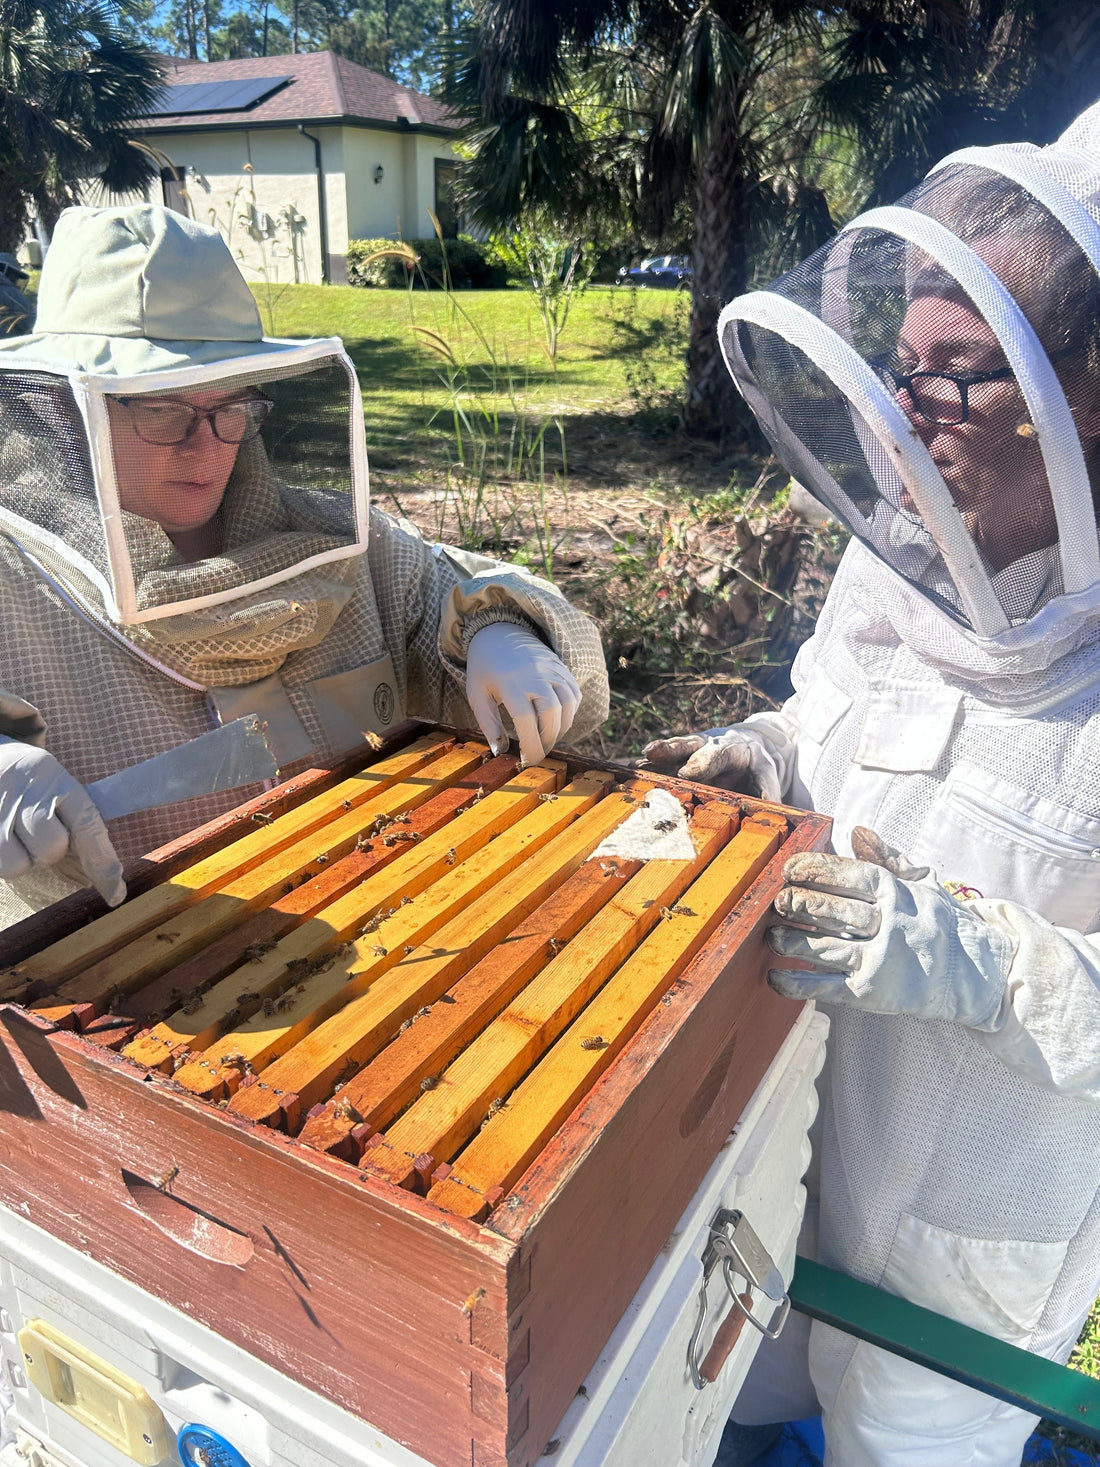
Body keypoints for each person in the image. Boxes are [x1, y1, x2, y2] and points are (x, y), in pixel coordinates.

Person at [646, 106, 1100, 1465]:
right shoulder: (898, 556)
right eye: (904, 367)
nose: (909, 418)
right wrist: (766, 757)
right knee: (726, 1402)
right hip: (787, 1147)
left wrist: (973, 960)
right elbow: (835, 711)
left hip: (973, 1236)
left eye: (958, 373)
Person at [0, 204, 608, 927]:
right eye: (162, 412)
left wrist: (503, 630)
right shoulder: (14, 587)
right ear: (70, 411)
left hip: (380, 926)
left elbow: (455, 588)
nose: (208, 446)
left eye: (232, 405)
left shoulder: (332, 541)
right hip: (134, 993)